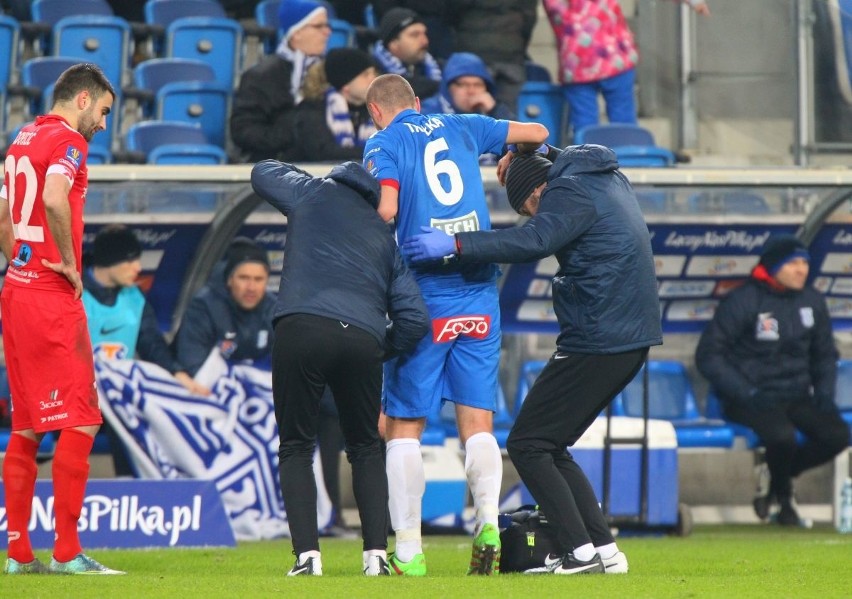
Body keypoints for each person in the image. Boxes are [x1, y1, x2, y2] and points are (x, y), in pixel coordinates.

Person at [402, 143, 663, 574]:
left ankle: (577, 554)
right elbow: (561, 170)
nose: (535, 214)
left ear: (539, 190)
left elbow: (535, 240)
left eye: (528, 205)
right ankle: (604, 552)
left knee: (527, 444)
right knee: (551, 444)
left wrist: (456, 243)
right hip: (628, 337)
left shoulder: (566, 192)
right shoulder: (607, 176)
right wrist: (537, 148)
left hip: (599, 334)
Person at [362, 73, 548, 576]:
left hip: (423, 296)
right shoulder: (464, 124)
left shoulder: (383, 141)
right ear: (418, 103)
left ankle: (408, 551)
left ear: (376, 111)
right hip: (479, 291)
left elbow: (386, 209)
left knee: (404, 425)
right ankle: (488, 518)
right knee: (478, 422)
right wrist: (512, 158)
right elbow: (537, 132)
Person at [251, 159, 429, 576]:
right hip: (361, 338)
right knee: (366, 446)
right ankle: (376, 558)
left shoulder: (310, 193)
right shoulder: (384, 238)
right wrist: (378, 348)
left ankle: (308, 558)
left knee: (296, 445)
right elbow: (416, 319)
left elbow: (262, 171)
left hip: (302, 327)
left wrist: (309, 178)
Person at [0, 63, 124, 575]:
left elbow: (4, 207)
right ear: (81, 100)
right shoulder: (69, 142)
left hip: (16, 289)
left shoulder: (20, 138)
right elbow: (53, 196)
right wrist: (71, 263)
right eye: (102, 111)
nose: (102, 123)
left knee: (27, 426)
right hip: (51, 291)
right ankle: (68, 552)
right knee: (83, 420)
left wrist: (14, 257)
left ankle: (18, 554)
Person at [695, 234, 850, 527]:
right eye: (794, 263)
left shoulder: (812, 301)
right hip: (749, 399)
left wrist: (825, 394)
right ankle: (784, 498)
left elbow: (824, 355)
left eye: (805, 263)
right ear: (774, 266)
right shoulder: (744, 301)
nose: (802, 270)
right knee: (782, 436)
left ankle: (781, 476)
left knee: (838, 434)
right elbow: (709, 356)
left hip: (796, 395)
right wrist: (747, 392)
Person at [83, 224, 210, 477]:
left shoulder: (134, 298)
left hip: (117, 396)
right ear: (111, 261)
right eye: (131, 261)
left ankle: (133, 486)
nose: (138, 268)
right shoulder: (74, 293)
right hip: (76, 396)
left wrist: (178, 374)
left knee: (139, 416)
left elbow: (151, 343)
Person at [543, 0, 710, 138]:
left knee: (584, 122)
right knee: (622, 118)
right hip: (615, 59)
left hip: (576, 64)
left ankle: (585, 166)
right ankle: (626, 159)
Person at [230, 0, 330, 162]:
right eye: (319, 26)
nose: (327, 32)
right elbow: (243, 131)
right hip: (273, 163)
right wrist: (294, 135)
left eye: (327, 26)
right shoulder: (261, 76)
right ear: (297, 32)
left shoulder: (330, 71)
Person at [174, 238, 276, 377]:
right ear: (229, 280)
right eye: (244, 278)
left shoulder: (274, 309)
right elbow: (193, 366)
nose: (251, 288)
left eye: (258, 279)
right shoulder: (204, 306)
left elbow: (287, 365)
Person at [452, 0, 537, 113]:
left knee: (470, 109)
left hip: (474, 50)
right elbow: (529, 16)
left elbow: (452, 10)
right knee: (507, 114)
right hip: (510, 54)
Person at [294, 47, 378, 162]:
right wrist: (377, 151)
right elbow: (323, 152)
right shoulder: (313, 110)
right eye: (365, 75)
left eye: (374, 73)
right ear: (345, 83)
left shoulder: (378, 111)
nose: (374, 79)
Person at [420, 52, 514, 120]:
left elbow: (521, 143)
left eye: (478, 85)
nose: (471, 91)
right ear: (448, 88)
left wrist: (495, 110)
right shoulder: (427, 115)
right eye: (464, 84)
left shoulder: (490, 115)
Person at [371, 8, 442, 99]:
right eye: (415, 35)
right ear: (393, 44)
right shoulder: (374, 71)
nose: (425, 41)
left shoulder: (438, 67)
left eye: (424, 34)